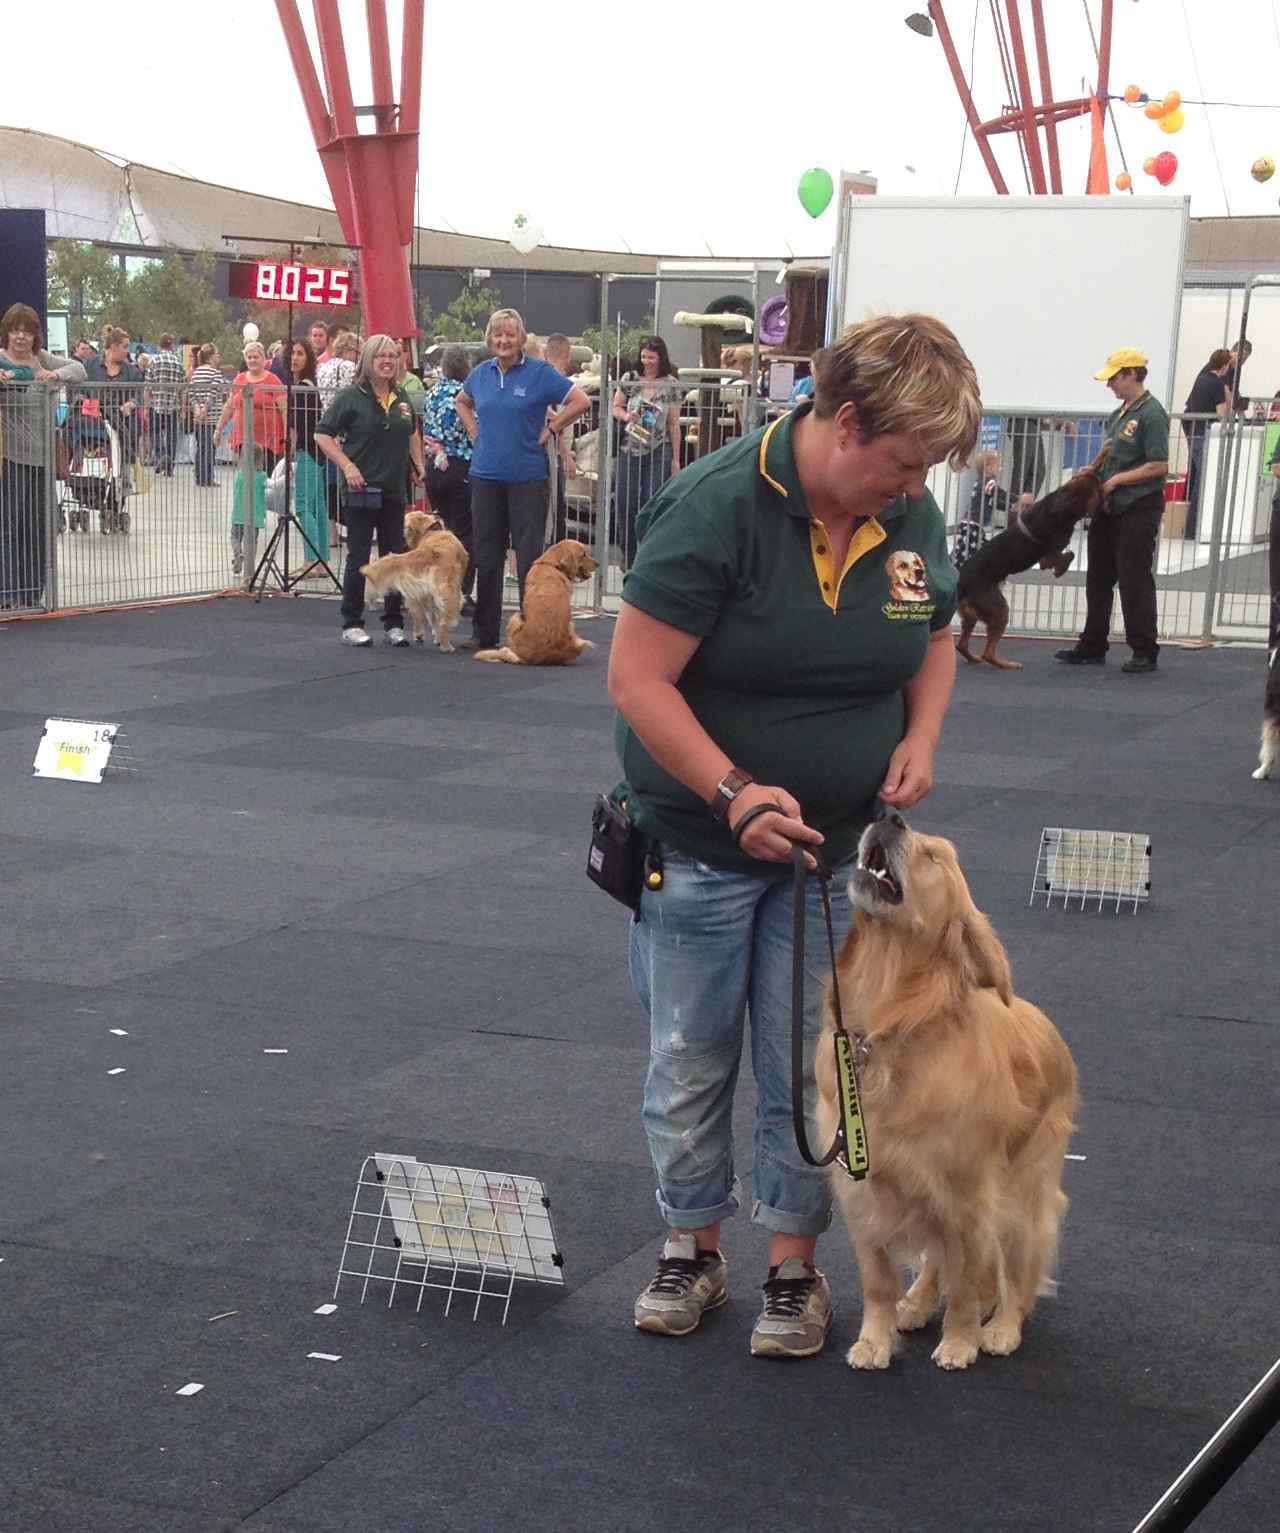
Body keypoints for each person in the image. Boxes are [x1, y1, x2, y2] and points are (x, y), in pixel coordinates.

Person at [608, 312, 979, 1358]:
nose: (913, 489)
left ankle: (792, 1271)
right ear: (845, 421)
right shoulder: (713, 507)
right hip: (697, 844)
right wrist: (732, 791)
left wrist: (921, 733)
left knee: (817, 1065)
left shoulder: (906, 517)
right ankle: (689, 1246)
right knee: (688, 1058)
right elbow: (636, 680)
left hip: (835, 853)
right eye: (903, 462)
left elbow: (935, 637)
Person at [455, 308, 591, 651]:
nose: (503, 341)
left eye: (510, 335)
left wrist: (553, 427)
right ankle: (484, 632)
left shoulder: (539, 373)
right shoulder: (480, 374)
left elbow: (581, 400)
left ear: (521, 338)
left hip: (528, 478)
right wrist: (474, 431)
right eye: (497, 335)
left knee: (530, 557)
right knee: (486, 555)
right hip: (485, 475)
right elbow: (462, 401)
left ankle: (535, 632)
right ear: (489, 339)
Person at [1056, 347, 1169, 675]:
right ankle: (1093, 643)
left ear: (1132, 373)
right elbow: (1109, 448)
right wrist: (1091, 470)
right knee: (1098, 578)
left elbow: (1159, 464)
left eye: (1115, 378)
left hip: (1137, 506)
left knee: (1134, 579)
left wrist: (1118, 479)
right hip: (1108, 505)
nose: (1110, 385)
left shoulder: (1152, 414)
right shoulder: (1120, 413)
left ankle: (1144, 649)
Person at [314, 333, 425, 647]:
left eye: (392, 356)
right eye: (381, 356)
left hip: (394, 489)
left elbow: (412, 431)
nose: (388, 361)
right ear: (368, 361)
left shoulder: (402, 396)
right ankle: (352, 621)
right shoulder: (351, 397)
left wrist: (419, 466)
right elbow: (322, 434)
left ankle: (393, 623)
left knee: (395, 558)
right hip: (361, 489)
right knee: (359, 556)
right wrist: (347, 466)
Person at [0, 303, 85, 608]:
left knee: (38, 528)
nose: (21, 336)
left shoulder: (41, 358)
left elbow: (80, 369)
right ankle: (7, 595)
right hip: (10, 458)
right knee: (10, 526)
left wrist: (53, 374)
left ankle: (31, 594)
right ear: (6, 332)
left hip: (43, 460)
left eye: (27, 330)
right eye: (15, 329)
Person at [612, 335, 683, 568]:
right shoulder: (630, 378)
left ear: (660, 357)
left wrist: (676, 459)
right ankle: (628, 555)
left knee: (650, 501)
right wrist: (626, 416)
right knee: (625, 503)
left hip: (658, 449)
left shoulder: (671, 383)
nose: (647, 361)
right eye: (643, 356)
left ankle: (647, 557)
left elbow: (674, 423)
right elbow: (616, 406)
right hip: (629, 448)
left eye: (651, 357)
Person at [422, 343, 475, 602]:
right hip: (460, 466)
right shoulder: (467, 394)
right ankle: (459, 591)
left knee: (443, 533)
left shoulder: (431, 392)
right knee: (465, 535)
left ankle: (438, 587)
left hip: (434, 467)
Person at [1180, 348, 1232, 540]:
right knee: (1203, 479)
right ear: (1225, 365)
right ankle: (1193, 528)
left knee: (1199, 476)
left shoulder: (1201, 379)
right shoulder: (1218, 384)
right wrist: (1227, 396)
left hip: (1192, 430)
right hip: (1205, 433)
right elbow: (1221, 414)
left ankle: (1192, 528)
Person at [212, 340, 287, 474]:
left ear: (263, 359)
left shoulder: (273, 380)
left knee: (266, 474)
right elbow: (229, 406)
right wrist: (218, 428)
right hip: (244, 437)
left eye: (256, 357)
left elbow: (284, 409)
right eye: (249, 357)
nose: (252, 360)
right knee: (246, 474)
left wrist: (287, 434)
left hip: (267, 438)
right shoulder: (239, 379)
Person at [286, 336, 328, 566]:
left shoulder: (303, 389)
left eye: (300, 353)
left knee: (303, 506)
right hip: (316, 452)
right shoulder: (308, 385)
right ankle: (320, 560)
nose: (294, 357)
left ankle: (311, 560)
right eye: (292, 353)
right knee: (317, 506)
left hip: (308, 452)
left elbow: (299, 427)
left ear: (308, 358)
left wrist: (292, 452)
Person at [82, 328, 143, 481]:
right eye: (125, 346)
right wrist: (85, 404)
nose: (127, 351)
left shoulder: (132, 371)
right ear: (113, 346)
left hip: (122, 419)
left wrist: (131, 403)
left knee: (134, 427)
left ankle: (125, 469)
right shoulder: (89, 365)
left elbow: (140, 394)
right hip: (92, 420)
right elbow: (77, 390)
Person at [543, 333, 577, 545]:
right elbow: (557, 429)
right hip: (550, 457)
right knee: (554, 513)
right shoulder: (558, 384)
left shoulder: (541, 378)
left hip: (545, 456)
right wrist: (568, 458)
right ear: (568, 356)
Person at [144, 332, 184, 476]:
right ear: (171, 345)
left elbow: (148, 386)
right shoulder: (178, 361)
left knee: (155, 432)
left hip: (156, 404)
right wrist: (183, 407)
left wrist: (145, 407)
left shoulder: (154, 361)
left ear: (158, 345)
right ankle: (169, 466)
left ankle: (161, 455)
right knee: (172, 436)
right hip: (173, 405)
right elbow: (181, 387)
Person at [189, 343, 226, 487]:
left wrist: (197, 408)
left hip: (198, 418)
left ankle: (199, 477)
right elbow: (215, 392)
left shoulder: (196, 372)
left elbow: (191, 393)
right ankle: (208, 478)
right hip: (211, 418)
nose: (219, 357)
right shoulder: (215, 373)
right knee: (210, 449)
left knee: (200, 448)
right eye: (217, 354)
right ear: (211, 357)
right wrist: (205, 408)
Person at [230, 443, 268, 576]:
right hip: (254, 516)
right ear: (259, 460)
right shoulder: (262, 477)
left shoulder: (240, 475)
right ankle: (249, 564)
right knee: (252, 541)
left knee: (235, 537)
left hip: (238, 515)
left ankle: (238, 553)